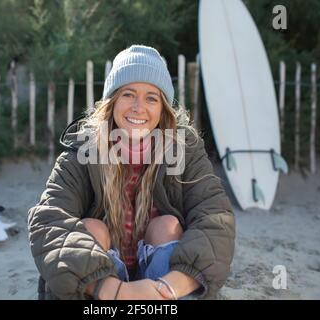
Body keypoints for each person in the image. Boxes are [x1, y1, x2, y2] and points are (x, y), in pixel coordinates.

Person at [28, 44, 235, 300]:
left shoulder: (185, 150)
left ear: (163, 110)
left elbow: (215, 217)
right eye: (128, 94)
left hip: (161, 288)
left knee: (167, 226)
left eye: (151, 98)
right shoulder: (83, 151)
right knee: (92, 228)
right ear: (112, 101)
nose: (138, 107)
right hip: (101, 283)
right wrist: (113, 290)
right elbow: (49, 219)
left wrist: (168, 288)